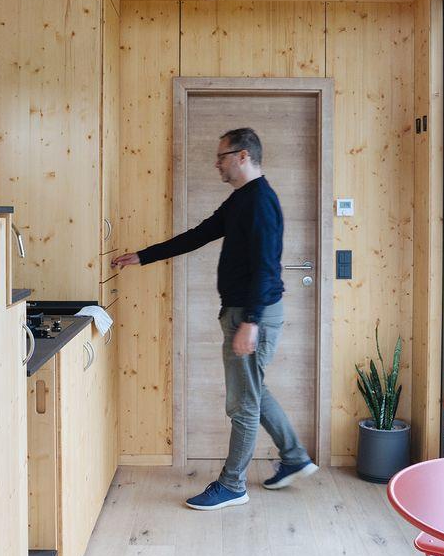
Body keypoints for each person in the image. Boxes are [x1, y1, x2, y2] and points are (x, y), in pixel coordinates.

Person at [112, 127, 317, 509]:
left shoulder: (260, 202)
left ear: (243, 156)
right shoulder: (241, 199)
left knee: (242, 404)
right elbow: (199, 234)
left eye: (222, 156)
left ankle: (232, 484)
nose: (216, 164)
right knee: (253, 391)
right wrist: (144, 256)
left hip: (252, 314)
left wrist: (250, 321)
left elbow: (266, 267)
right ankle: (293, 457)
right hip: (245, 311)